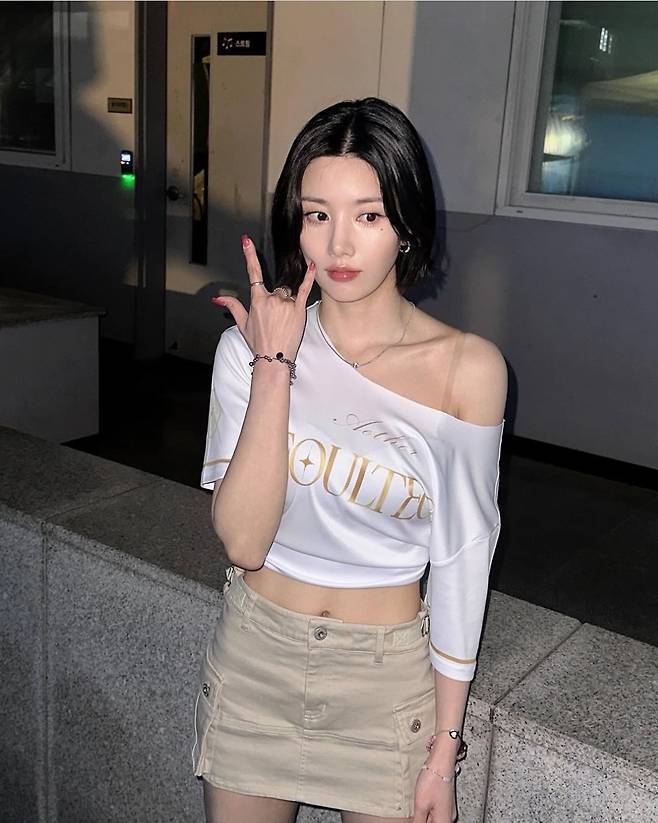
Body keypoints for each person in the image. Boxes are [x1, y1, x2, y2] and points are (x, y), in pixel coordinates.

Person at [192, 97, 507, 823]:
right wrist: (275, 366)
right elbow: (243, 541)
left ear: (407, 225)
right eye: (317, 214)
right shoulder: (250, 348)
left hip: (384, 682)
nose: (338, 244)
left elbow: (463, 559)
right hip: (255, 660)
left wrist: (444, 748)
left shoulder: (468, 370)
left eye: (368, 215)